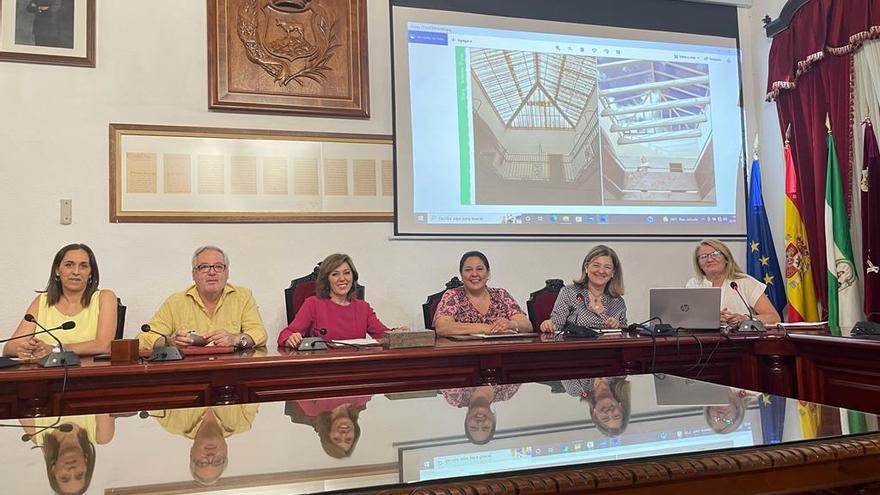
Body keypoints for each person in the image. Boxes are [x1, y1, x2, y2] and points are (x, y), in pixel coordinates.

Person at [139, 246, 267, 350]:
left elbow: (259, 334)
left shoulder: (242, 296)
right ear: (193, 274)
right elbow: (143, 338)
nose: (212, 272)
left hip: (231, 368)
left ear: (227, 273)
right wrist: (168, 342)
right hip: (190, 370)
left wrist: (235, 339)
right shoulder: (176, 302)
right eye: (204, 267)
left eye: (218, 267)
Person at [4, 243, 117, 359]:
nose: (76, 272)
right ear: (57, 270)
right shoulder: (43, 301)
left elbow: (104, 345)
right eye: (69, 265)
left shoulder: (104, 297)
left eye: (83, 266)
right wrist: (26, 349)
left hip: (91, 372)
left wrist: (55, 349)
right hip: (46, 373)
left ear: (91, 273)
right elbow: (9, 347)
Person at [278, 253, 404, 348]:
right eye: (335, 274)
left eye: (347, 273)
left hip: (357, 367)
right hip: (323, 368)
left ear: (353, 276)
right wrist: (291, 338)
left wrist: (397, 334)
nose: (342, 278)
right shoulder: (313, 303)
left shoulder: (363, 307)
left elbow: (384, 335)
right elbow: (285, 334)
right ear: (326, 279)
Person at [151, 404, 258, 485]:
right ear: (226, 451)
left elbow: (150, 392)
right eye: (217, 461)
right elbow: (254, 382)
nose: (210, 456)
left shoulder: (172, 424)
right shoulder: (242, 422)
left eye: (202, 462)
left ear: (191, 453)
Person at [685, 239, 781, 328]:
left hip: (742, 341)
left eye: (715, 254)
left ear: (727, 259)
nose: (710, 260)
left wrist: (746, 319)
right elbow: (685, 319)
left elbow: (773, 317)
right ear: (698, 264)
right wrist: (710, 319)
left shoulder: (745, 282)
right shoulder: (694, 284)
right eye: (703, 256)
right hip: (704, 341)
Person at [433, 251, 532, 336]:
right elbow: (442, 327)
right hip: (464, 354)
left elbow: (527, 325)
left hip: (501, 351)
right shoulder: (453, 295)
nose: (474, 274)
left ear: (488, 273)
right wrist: (488, 328)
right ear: (461, 275)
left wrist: (512, 324)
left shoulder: (501, 294)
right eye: (468, 270)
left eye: (479, 269)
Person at [21, 413, 116, 495]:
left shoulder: (36, 434)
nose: (72, 469)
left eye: (64, 477)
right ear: (87, 464)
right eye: (79, 474)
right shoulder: (102, 435)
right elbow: (105, 395)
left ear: (53, 470)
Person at [540, 245, 627, 333]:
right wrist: (548, 325)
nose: (601, 271)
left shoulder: (618, 302)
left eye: (607, 267)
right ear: (586, 267)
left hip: (608, 346)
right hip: (576, 345)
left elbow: (626, 332)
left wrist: (617, 326)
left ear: (613, 273)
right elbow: (556, 325)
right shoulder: (569, 292)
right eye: (596, 265)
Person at [285, 396, 371, 458]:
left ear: (328, 433)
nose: (344, 434)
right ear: (354, 433)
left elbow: (297, 384)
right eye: (348, 439)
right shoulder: (363, 398)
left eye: (336, 438)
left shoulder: (313, 409)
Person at [441, 385, 520, 445]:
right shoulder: (506, 392)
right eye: (486, 427)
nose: (479, 423)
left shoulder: (455, 397)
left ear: (466, 419)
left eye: (473, 427)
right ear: (493, 420)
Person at [562, 376, 630, 437]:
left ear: (594, 413)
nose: (609, 412)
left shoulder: (575, 388)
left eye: (605, 418)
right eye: (616, 416)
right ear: (621, 408)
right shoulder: (619, 375)